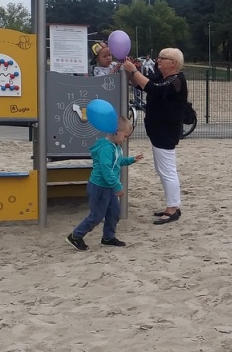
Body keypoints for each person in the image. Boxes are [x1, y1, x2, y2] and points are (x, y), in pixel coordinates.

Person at [122, 47, 188, 225]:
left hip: (166, 131)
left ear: (173, 63)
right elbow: (143, 84)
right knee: (162, 169)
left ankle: (173, 208)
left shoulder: (176, 80)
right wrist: (130, 72)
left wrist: (134, 70)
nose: (158, 61)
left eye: (162, 58)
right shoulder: (162, 77)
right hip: (158, 130)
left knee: (167, 170)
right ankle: (172, 205)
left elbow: (154, 89)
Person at [65, 116, 140, 251]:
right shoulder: (106, 148)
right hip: (99, 187)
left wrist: (130, 160)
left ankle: (108, 237)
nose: (125, 139)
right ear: (116, 131)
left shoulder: (115, 146)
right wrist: (117, 186)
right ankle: (76, 235)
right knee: (97, 216)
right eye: (125, 136)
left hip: (109, 187)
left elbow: (118, 161)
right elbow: (106, 170)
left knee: (114, 212)